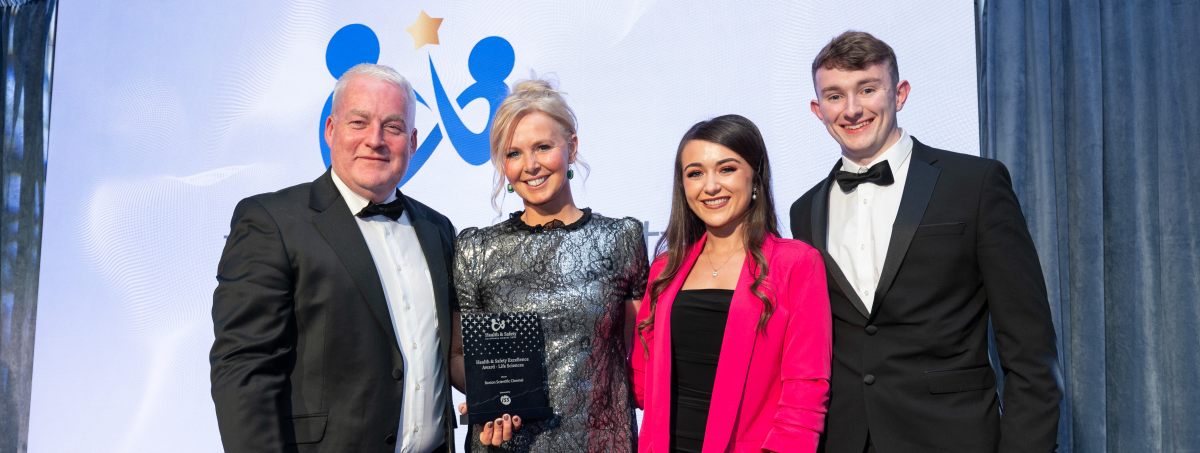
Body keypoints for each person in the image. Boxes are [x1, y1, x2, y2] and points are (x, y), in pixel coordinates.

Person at [789, 31, 1062, 453]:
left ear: (900, 94)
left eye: (867, 89)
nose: (852, 109)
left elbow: (1031, 353)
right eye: (835, 96)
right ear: (817, 109)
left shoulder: (975, 184)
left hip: (953, 437)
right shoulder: (804, 210)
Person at [210, 63, 459, 453]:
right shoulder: (272, 222)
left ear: (412, 142)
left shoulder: (438, 228)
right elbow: (244, 369)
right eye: (359, 122)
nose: (375, 140)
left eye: (393, 127)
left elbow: (455, 351)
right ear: (331, 130)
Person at [450, 79, 649, 452]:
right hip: (507, 444)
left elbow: (635, 351)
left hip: (601, 443)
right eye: (514, 153)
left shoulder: (621, 239)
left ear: (571, 147)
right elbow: (459, 355)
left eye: (543, 147)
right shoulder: (476, 249)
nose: (531, 165)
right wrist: (486, 399)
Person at [631, 114, 832, 453]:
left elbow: (806, 385)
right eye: (695, 173)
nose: (710, 186)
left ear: (755, 177)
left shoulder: (796, 263)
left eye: (726, 169)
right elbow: (642, 378)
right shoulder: (666, 268)